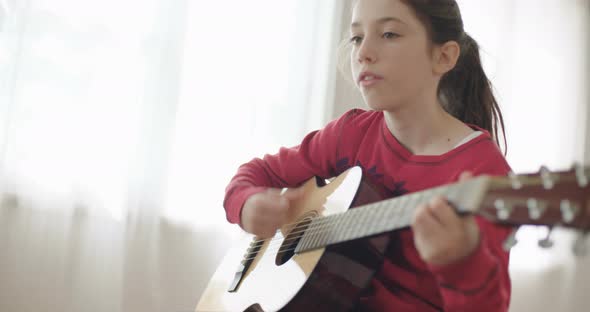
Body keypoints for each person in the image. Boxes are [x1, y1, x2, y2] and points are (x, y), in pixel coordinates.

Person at [223, 0, 511, 311]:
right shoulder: (350, 133)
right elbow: (254, 174)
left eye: (389, 34)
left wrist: (461, 261)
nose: (362, 53)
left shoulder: (483, 171)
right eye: (357, 37)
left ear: (443, 56)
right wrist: (247, 203)